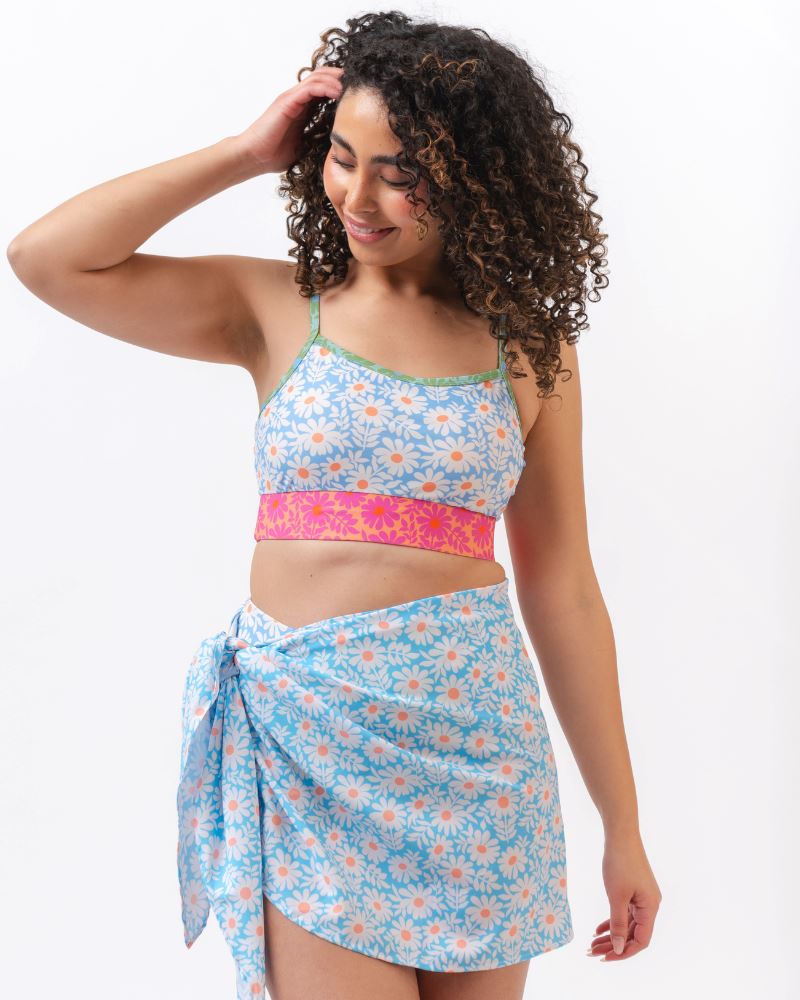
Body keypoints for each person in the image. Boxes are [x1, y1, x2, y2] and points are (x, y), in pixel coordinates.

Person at [7, 11, 661, 1000]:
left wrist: (623, 826)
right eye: (340, 156)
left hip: (480, 760)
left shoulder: (529, 348)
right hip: (312, 750)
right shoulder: (275, 309)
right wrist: (241, 152)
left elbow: (562, 586)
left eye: (399, 171)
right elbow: (48, 259)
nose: (357, 193)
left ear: (474, 174)